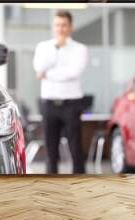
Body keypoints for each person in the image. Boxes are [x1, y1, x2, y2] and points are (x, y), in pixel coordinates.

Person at [33, 10, 88, 174]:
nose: (61, 28)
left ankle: (80, 186)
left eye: (64, 25)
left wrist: (47, 75)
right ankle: (52, 189)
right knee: (51, 152)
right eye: (57, 25)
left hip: (71, 104)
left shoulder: (80, 49)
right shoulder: (43, 47)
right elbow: (38, 67)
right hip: (49, 104)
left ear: (70, 27)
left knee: (76, 150)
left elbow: (73, 73)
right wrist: (56, 48)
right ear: (53, 26)